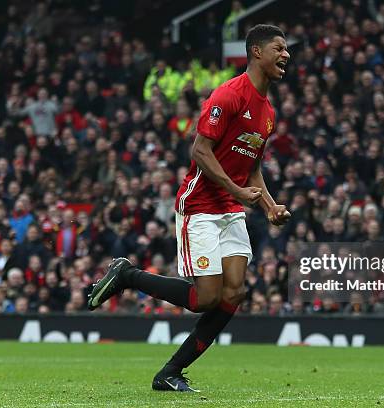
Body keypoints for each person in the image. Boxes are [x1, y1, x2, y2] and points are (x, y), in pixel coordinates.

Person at [87, 24, 291, 392]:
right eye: (279, 48)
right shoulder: (228, 94)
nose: (286, 55)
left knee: (234, 294)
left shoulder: (268, 113)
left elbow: (254, 167)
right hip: (200, 204)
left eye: (286, 49)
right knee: (206, 299)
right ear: (257, 52)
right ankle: (127, 275)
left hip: (232, 208)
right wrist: (234, 189)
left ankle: (170, 372)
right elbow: (199, 151)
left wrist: (270, 205)